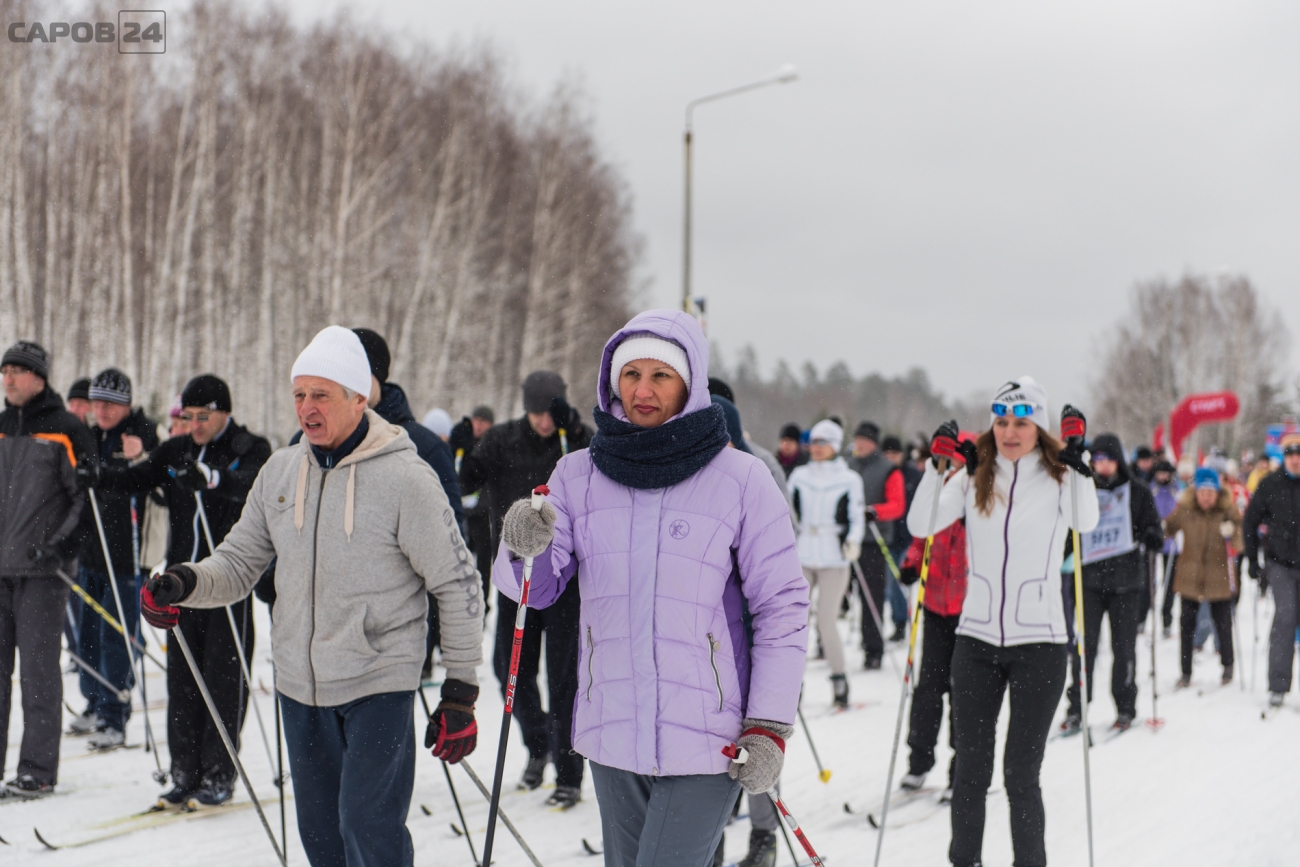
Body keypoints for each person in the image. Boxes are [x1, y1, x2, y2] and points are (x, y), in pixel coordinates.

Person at [141, 326, 483, 867]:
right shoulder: (280, 471)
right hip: (300, 687)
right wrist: (184, 583)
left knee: (367, 827)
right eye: (299, 394)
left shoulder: (406, 477)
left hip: (379, 683)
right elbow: (238, 563)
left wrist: (460, 691)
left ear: (358, 398)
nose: (307, 408)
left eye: (321, 394)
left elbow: (457, 581)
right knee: (321, 838)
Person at [494, 310, 808, 867]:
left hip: (710, 735)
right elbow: (533, 591)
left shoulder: (741, 479)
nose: (642, 390)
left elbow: (781, 608)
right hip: (612, 728)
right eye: (631, 374)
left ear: (690, 383)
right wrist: (523, 544)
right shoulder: (577, 475)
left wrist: (769, 725)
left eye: (660, 375)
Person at [907, 377, 1098, 867]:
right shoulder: (975, 474)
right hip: (976, 641)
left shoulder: (1061, 475)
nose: (1010, 432)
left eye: (1021, 422)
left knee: (1020, 774)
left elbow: (1085, 521)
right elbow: (920, 525)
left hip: (1042, 645)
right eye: (1001, 421)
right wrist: (937, 468)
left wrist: (1079, 460)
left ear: (1039, 427)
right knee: (970, 771)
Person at [97, 373, 271, 807]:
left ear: (223, 413)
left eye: (203, 417)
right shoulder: (177, 450)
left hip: (228, 582)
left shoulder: (248, 447)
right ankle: (184, 771)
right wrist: (99, 475)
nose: (194, 426)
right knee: (183, 681)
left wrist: (212, 479)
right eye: (187, 416)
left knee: (223, 681)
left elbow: (253, 486)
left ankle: (218, 772)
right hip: (181, 585)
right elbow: (138, 478)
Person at [458, 369, 591, 807]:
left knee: (564, 678)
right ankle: (540, 745)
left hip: (566, 578)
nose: (544, 422)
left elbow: (603, 474)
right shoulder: (502, 439)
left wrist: (576, 432)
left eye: (550, 414)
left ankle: (569, 771)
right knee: (510, 670)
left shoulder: (574, 441)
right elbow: (465, 483)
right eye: (536, 414)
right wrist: (460, 450)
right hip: (516, 575)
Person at [0, 341, 96, 799]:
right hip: (0, 569)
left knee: (38, 674)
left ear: (38, 377)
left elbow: (86, 497)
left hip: (42, 571)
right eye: (4, 371)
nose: (8, 379)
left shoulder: (66, 428)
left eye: (17, 371)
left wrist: (60, 548)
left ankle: (37, 771)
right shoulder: (1, 427)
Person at [69, 368, 160, 749]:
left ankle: (113, 711)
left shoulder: (142, 434)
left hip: (127, 557)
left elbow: (161, 480)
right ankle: (94, 701)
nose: (102, 411)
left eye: (110, 404)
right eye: (98, 403)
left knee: (116, 636)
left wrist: (141, 456)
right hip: (91, 552)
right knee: (86, 633)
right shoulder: (91, 436)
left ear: (127, 405)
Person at [1061, 433, 1163, 733]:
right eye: (1098, 459)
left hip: (1126, 583)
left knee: (1124, 649)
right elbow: (1068, 531)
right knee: (1085, 648)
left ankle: (1125, 706)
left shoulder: (1138, 491)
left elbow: (1153, 526)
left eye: (1108, 459)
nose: (1103, 465)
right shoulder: (1084, 490)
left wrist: (1151, 536)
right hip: (1090, 581)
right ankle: (1077, 706)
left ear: (1118, 460)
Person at [787, 420, 862, 710]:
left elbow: (856, 517)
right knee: (797, 623)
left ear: (835, 446)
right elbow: (788, 512)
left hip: (834, 557)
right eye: (813, 442)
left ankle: (839, 679)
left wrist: (853, 541)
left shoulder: (849, 479)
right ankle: (793, 684)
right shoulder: (799, 475)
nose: (816, 448)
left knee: (827, 621)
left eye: (823, 443)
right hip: (802, 555)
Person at [896, 508, 967, 801]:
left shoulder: (982, 495)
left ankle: (961, 771)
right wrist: (912, 563)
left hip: (971, 612)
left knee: (963, 693)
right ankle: (919, 761)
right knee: (928, 689)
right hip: (936, 605)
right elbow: (920, 539)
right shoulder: (939, 496)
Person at [1164, 467, 1242, 689]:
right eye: (1202, 492)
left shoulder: (1227, 511)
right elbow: (1168, 528)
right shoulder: (1185, 510)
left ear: (1218, 493)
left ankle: (1228, 666)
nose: (1206, 497)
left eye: (1211, 492)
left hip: (1219, 578)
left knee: (1223, 624)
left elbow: (1240, 541)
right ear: (1195, 492)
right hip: (1190, 577)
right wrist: (1158, 529)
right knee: (1186, 626)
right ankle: (1185, 672)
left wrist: (1232, 531)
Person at [1243, 432, 1300, 707]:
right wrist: (1252, 560)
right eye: (1291, 455)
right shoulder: (1270, 484)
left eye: (1299, 455)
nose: (1296, 460)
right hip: (1280, 563)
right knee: (1286, 616)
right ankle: (1278, 684)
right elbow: (1250, 521)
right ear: (1284, 457)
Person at [847, 420, 907, 666]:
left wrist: (874, 511)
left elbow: (898, 505)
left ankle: (873, 649)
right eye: (857, 439)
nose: (860, 445)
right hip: (847, 540)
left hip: (873, 540)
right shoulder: (847, 464)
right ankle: (824, 644)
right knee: (838, 595)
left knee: (871, 597)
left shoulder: (888, 469)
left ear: (874, 443)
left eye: (865, 441)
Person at [448, 405, 498, 611]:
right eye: (477, 420)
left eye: (484, 422)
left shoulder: (493, 446)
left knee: (483, 561)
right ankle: (459, 601)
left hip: (483, 514)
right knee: (459, 557)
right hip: (462, 513)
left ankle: (482, 602)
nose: (479, 425)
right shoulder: (462, 443)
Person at [1151, 458, 1182, 637]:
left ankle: (1167, 619)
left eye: (1165, 473)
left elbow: (1181, 511)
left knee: (1170, 583)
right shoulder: (1151, 489)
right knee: (1149, 582)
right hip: (1153, 540)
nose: (1162, 476)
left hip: (1172, 543)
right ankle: (1143, 617)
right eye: (1160, 473)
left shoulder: (1176, 490)